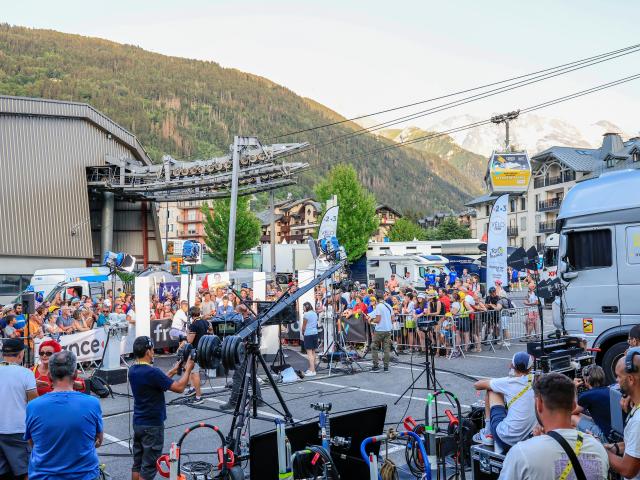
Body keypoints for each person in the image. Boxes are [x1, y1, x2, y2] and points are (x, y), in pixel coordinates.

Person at [499, 372, 609, 480]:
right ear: (574, 405)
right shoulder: (597, 448)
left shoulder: (521, 454)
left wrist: (535, 444)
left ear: (539, 404)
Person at [25, 350, 103, 480]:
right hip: (84, 474)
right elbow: (98, 441)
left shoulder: (33, 406)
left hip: (44, 475)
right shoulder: (92, 403)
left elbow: (32, 443)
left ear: (50, 376)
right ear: (75, 374)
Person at [128, 336, 195, 480]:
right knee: (149, 467)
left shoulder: (132, 370)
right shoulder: (153, 372)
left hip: (138, 423)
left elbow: (156, 383)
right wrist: (188, 370)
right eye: (152, 350)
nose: (153, 353)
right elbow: (179, 388)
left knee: (137, 464)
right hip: (152, 426)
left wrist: (172, 371)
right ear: (147, 352)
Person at [473, 352, 537, 452]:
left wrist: (495, 381)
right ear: (530, 368)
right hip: (527, 439)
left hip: (505, 439)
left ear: (511, 365)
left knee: (492, 390)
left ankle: (488, 433)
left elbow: (477, 385)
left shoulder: (507, 382)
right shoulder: (537, 379)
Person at [0, 338, 38, 480]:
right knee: (26, 472)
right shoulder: (25, 373)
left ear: (3, 354)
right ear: (21, 354)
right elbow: (35, 404)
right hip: (18, 430)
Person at [605, 353, 640, 479]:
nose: (616, 380)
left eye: (619, 376)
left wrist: (601, 451)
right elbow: (635, 443)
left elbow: (628, 470)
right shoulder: (637, 407)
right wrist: (615, 448)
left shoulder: (638, 421)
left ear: (631, 379)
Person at [571, 365, 611, 442]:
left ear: (586, 380)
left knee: (572, 417)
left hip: (605, 437)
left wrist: (574, 388)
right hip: (615, 434)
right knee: (579, 415)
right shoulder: (609, 389)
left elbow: (572, 411)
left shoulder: (587, 395)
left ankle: (579, 446)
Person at [184, 306, 209, 404]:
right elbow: (210, 330)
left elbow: (190, 340)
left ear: (191, 315)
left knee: (195, 373)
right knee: (188, 368)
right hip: (202, 350)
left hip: (196, 351)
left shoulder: (194, 325)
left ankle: (198, 397)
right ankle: (192, 388)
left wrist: (187, 333)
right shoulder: (204, 322)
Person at [370, 292, 393, 372]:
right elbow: (392, 319)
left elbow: (378, 320)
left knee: (374, 346)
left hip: (380, 330)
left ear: (376, 299)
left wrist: (371, 320)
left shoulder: (379, 306)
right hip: (388, 329)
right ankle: (386, 367)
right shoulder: (389, 306)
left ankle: (375, 366)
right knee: (386, 348)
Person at [301, 302, 319, 377]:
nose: (303, 308)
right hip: (315, 333)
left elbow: (304, 326)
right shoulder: (314, 313)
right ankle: (312, 368)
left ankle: (312, 370)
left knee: (309, 353)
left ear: (306, 307)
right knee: (313, 352)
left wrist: (302, 332)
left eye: (303, 307)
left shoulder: (306, 314)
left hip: (308, 334)